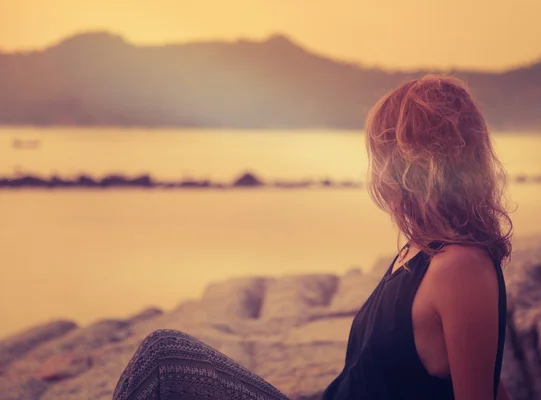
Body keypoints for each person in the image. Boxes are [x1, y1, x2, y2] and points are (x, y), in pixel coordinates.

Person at [113, 75, 512, 400]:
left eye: (381, 154)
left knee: (163, 358)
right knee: (164, 357)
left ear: (414, 163)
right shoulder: (420, 252)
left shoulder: (460, 267)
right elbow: (484, 372)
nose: (375, 172)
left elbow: (479, 391)